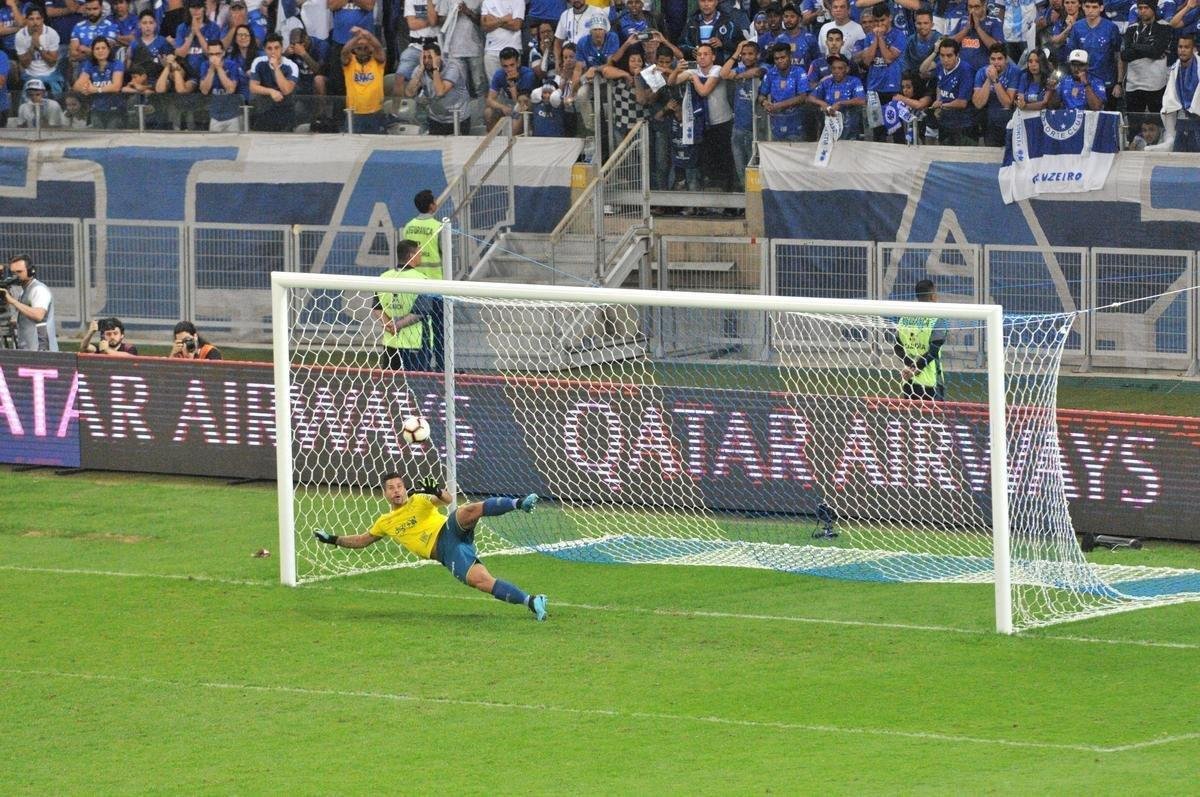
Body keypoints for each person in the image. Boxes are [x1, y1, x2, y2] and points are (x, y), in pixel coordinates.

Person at [313, 473, 549, 621]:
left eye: (399, 486)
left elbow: (445, 500)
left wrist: (436, 492)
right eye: (391, 488)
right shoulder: (385, 522)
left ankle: (520, 503)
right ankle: (532, 601)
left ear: (405, 488)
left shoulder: (418, 500)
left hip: (449, 530)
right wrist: (333, 539)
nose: (396, 491)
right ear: (385, 493)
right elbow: (362, 541)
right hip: (447, 552)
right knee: (482, 581)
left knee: (467, 511)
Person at [373, 239, 436, 372]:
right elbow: (420, 312)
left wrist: (388, 325)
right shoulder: (421, 280)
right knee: (416, 384)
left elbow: (377, 308)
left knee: (391, 384)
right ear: (411, 256)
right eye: (419, 252)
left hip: (390, 342)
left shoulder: (384, 277)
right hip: (415, 342)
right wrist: (397, 326)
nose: (421, 255)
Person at [893, 278, 948, 401]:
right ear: (933, 296)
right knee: (935, 419)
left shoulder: (905, 319)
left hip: (909, 382)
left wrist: (910, 367)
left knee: (911, 418)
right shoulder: (937, 319)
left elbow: (897, 347)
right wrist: (916, 368)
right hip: (930, 382)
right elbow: (933, 350)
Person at [404, 40, 471, 134]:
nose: (426, 61)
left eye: (430, 57)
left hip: (458, 119)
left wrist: (435, 67)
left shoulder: (453, 67)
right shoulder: (421, 69)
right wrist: (420, 69)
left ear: (438, 58)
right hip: (436, 119)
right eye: (424, 57)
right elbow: (409, 93)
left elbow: (440, 91)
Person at [1121, 0, 1170, 114]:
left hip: (1156, 84)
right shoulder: (1131, 29)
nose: (1142, 11)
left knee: (1157, 122)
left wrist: (1134, 46)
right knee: (1134, 124)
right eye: (1140, 8)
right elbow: (1125, 55)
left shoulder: (1164, 27)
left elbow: (1156, 52)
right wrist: (1147, 46)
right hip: (1133, 84)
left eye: (1146, 8)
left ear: (1153, 9)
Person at [4, 255, 57, 351]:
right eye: (13, 273)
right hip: (30, 349)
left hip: (41, 349)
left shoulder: (38, 290)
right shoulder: (24, 291)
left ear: (30, 271)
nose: (16, 276)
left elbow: (38, 315)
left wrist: (13, 301)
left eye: (19, 272)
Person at [341, 26, 386, 133]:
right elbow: (344, 51)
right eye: (359, 48)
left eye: (366, 48)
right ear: (354, 50)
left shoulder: (377, 61)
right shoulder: (350, 62)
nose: (363, 51)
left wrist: (368, 36)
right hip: (354, 112)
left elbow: (379, 47)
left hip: (375, 111)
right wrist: (358, 37)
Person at [971, 42, 1018, 146]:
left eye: (1000, 59)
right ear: (989, 60)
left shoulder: (1014, 72)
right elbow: (978, 104)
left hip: (1009, 119)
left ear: (1006, 59)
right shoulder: (981, 72)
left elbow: (1007, 103)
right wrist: (988, 79)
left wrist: (995, 80)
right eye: (993, 59)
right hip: (989, 121)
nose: (996, 62)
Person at [74, 35, 125, 128]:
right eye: (97, 49)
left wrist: (96, 90)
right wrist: (86, 88)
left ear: (109, 50)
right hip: (96, 109)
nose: (100, 51)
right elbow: (77, 86)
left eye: (103, 48)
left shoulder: (117, 64)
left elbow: (116, 86)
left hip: (115, 109)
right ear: (92, 51)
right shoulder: (89, 65)